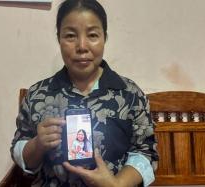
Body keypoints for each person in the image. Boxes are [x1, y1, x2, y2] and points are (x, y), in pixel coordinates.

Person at [11, 0, 159, 186]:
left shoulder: (129, 94)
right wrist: (37, 145)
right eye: (71, 36)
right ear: (59, 39)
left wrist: (117, 184)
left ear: (105, 37)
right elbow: (19, 150)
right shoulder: (37, 95)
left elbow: (145, 152)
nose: (82, 46)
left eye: (92, 35)